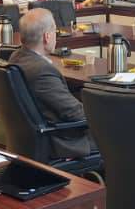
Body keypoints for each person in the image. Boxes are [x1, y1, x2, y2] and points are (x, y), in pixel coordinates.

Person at [7, 9, 96, 159]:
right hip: (61, 142)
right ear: (47, 37)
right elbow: (75, 113)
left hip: (27, 139)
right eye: (55, 31)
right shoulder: (42, 71)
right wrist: (105, 114)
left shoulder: (16, 57)